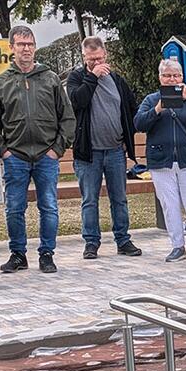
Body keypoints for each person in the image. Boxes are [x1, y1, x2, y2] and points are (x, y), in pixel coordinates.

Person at [0, 24, 76, 275]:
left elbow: (67, 118)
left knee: (48, 206)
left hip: (47, 156)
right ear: (11, 48)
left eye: (30, 44)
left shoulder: (51, 78)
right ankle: (18, 255)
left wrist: (57, 149)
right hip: (16, 157)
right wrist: (4, 151)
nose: (26, 49)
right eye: (21, 44)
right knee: (14, 207)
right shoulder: (1, 82)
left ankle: (47, 254)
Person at [66, 36, 142, 261]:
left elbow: (131, 107)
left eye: (99, 58)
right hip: (88, 153)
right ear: (83, 57)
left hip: (115, 150)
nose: (96, 63)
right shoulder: (77, 78)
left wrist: (128, 133)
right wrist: (92, 77)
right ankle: (91, 242)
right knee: (90, 199)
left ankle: (123, 239)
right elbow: (77, 101)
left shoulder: (117, 80)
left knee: (119, 197)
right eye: (91, 59)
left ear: (106, 55)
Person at [134, 58, 186, 263]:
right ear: (160, 78)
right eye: (167, 76)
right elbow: (139, 123)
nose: (172, 79)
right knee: (169, 205)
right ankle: (177, 246)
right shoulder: (152, 100)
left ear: (182, 77)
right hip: (161, 160)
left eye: (176, 75)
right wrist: (157, 110)